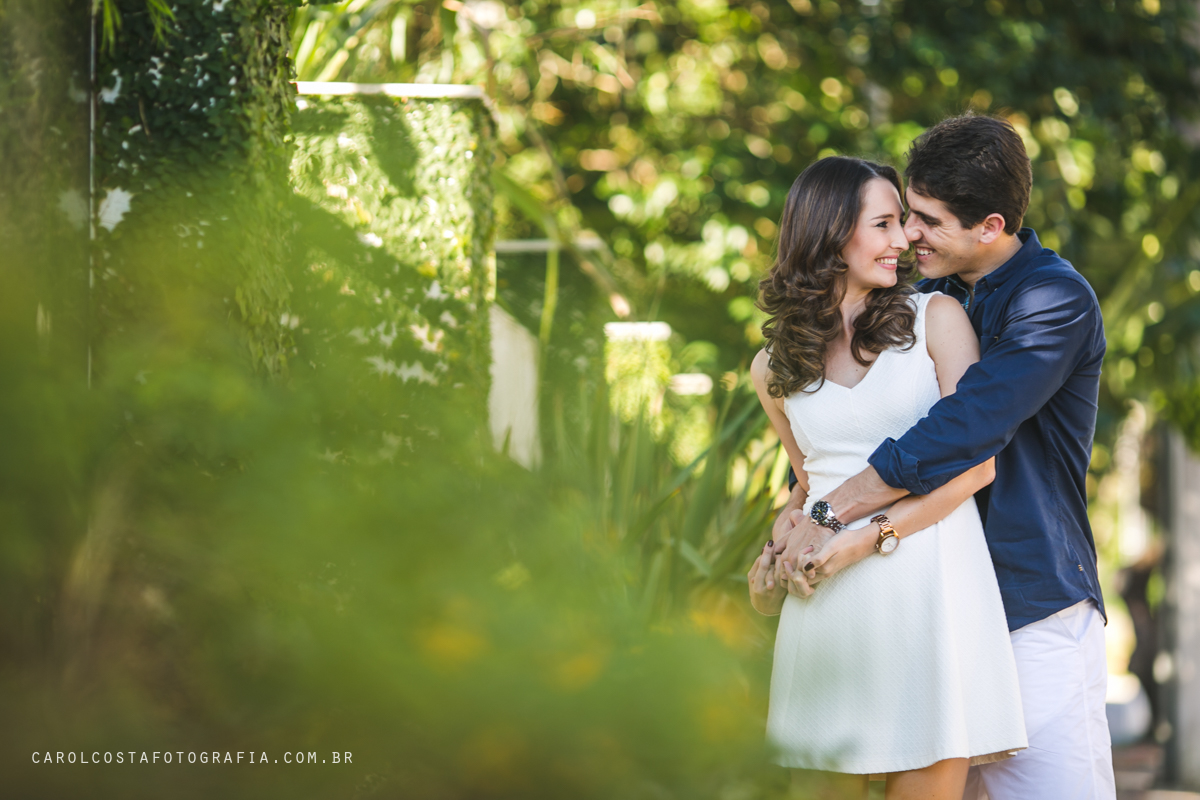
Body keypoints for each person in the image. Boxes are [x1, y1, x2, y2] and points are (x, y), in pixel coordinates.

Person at [771, 114, 1115, 799]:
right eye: (901, 216)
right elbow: (842, 435)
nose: (908, 235)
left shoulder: (1053, 299)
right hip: (920, 602)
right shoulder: (923, 303)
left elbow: (965, 427)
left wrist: (832, 513)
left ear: (990, 226)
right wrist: (794, 520)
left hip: (1026, 605)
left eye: (924, 219)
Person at [746, 154, 1027, 800]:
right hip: (827, 612)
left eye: (903, 223)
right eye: (885, 224)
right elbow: (807, 485)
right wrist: (776, 548)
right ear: (830, 233)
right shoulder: (772, 367)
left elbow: (976, 465)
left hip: (931, 595)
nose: (904, 241)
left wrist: (867, 535)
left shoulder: (937, 321)